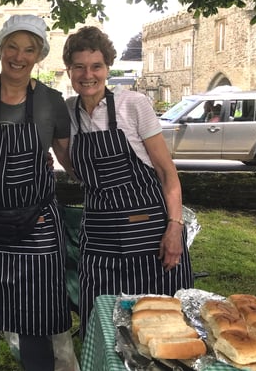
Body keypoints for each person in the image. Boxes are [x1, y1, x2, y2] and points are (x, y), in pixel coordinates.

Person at [0, 14, 72, 371]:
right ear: (0, 49)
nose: (19, 57)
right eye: (12, 47)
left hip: (36, 227)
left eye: (29, 49)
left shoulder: (52, 101)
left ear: (39, 56)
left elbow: (69, 159)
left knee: (36, 319)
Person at [62, 26, 193, 338]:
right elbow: (74, 169)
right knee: (103, 322)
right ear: (69, 70)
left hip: (148, 235)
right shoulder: (67, 112)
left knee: (159, 323)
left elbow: (166, 173)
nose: (87, 74)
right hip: (98, 237)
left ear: (107, 68)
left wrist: (174, 226)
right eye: (79, 67)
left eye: (96, 66)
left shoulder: (133, 105)